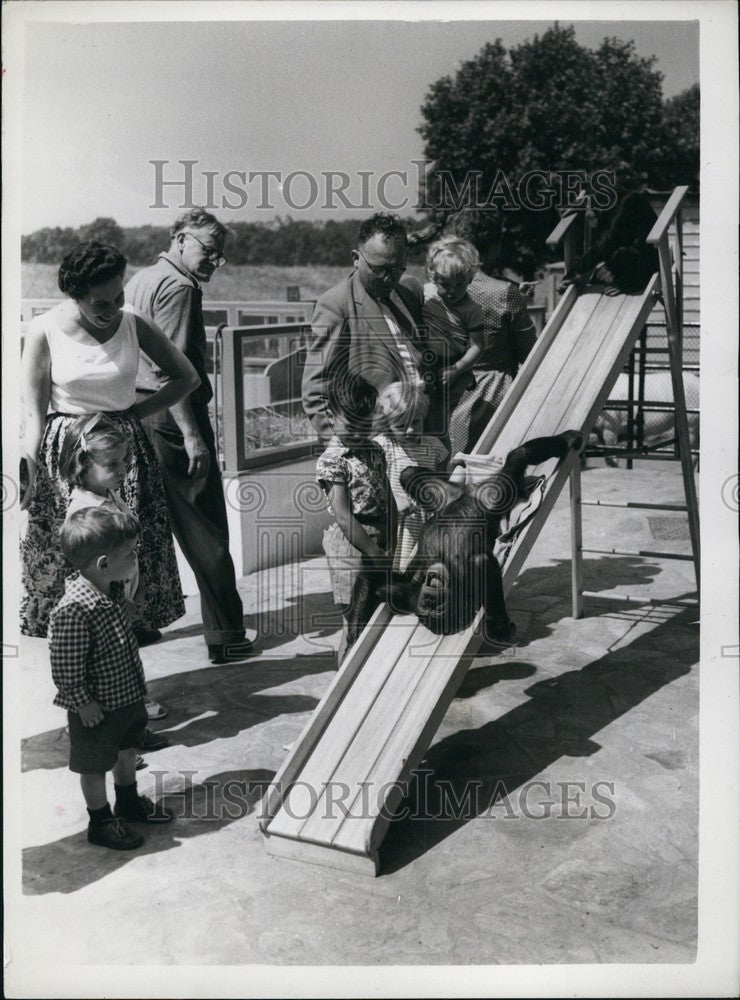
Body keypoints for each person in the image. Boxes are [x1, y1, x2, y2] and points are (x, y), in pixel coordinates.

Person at [21, 241, 199, 642]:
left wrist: (134, 414)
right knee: (73, 545)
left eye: (118, 297)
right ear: (76, 294)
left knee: (126, 545)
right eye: (100, 303)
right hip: (69, 455)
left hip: (122, 453)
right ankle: (75, 632)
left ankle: (128, 627)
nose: (113, 309)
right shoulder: (45, 328)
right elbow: (34, 414)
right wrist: (28, 471)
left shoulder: (133, 322)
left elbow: (186, 377)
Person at [125, 208, 255, 665]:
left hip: (138, 413)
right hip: (172, 418)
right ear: (180, 239)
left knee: (141, 525)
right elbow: (173, 370)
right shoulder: (179, 287)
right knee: (205, 527)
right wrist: (193, 436)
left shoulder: (142, 278)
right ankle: (227, 635)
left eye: (220, 255)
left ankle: (136, 623)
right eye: (208, 250)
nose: (214, 261)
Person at [48, 504, 174, 851]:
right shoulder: (74, 609)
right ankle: (100, 821)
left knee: (126, 750)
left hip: (125, 697)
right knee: (94, 765)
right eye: (130, 554)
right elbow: (65, 666)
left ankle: (128, 802)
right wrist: (82, 703)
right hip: (97, 709)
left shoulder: (110, 591)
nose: (135, 559)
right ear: (104, 564)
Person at [59, 414, 167, 722]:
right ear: (82, 465)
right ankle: (94, 717)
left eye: (124, 461)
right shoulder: (86, 512)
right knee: (103, 659)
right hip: (102, 604)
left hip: (121, 594)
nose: (123, 470)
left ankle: (129, 706)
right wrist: (119, 602)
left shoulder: (109, 495)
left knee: (123, 654)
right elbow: (94, 571)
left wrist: (138, 587)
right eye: (112, 464)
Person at [302, 212, 443, 445]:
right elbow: (316, 391)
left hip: (424, 435)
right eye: (379, 269)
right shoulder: (336, 304)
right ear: (356, 258)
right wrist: (344, 449)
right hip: (375, 445)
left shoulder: (410, 292)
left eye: (397, 269)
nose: (388, 279)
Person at [315, 375, 395, 663]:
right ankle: (346, 678)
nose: (359, 433)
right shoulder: (332, 460)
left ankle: (369, 673)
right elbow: (342, 513)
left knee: (377, 610)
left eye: (365, 425)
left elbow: (388, 495)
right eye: (351, 426)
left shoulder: (375, 450)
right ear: (330, 416)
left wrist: (391, 538)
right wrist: (372, 551)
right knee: (355, 617)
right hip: (349, 543)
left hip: (379, 536)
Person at [445, 209, 537, 453]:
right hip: (494, 397)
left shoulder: (436, 289)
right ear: (493, 246)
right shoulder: (503, 293)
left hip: (449, 394)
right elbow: (530, 352)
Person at [373, 381, 448, 571]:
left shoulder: (433, 446)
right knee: (399, 567)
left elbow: (442, 480)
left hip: (427, 520)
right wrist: (394, 500)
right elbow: (371, 484)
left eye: (416, 422)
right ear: (387, 424)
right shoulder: (382, 446)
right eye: (401, 426)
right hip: (399, 523)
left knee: (425, 566)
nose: (411, 430)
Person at [422, 236, 486, 457]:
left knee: (440, 423)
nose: (452, 291)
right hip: (425, 364)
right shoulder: (427, 295)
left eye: (459, 285)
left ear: (470, 279)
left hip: (452, 369)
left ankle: (442, 463)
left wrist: (457, 368)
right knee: (420, 418)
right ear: (433, 277)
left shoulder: (471, 310)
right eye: (445, 285)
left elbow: (477, 347)